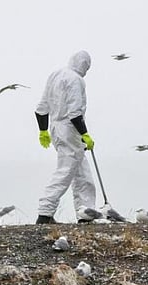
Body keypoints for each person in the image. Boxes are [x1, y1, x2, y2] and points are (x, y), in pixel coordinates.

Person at [33, 50, 96, 225]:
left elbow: (41, 108)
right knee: (65, 171)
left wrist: (43, 130)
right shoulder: (76, 80)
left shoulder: (56, 75)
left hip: (56, 127)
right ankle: (45, 213)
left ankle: (86, 212)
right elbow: (75, 113)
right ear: (84, 64)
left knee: (82, 173)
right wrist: (84, 134)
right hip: (69, 129)